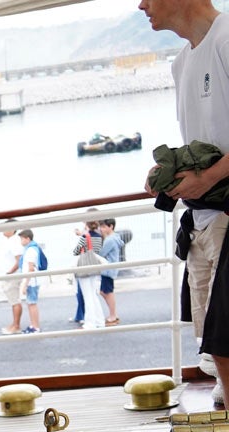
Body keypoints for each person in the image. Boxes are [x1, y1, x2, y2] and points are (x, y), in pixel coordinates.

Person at [143, 0, 229, 405]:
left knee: (224, 341)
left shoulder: (227, 39)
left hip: (227, 211)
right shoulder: (181, 64)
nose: (141, 5)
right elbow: (203, 142)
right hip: (200, 220)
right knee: (214, 343)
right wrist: (168, 172)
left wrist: (209, 178)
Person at [72, 217, 106, 328]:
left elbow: (76, 251)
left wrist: (81, 235)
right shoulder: (99, 236)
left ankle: (90, 323)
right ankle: (100, 321)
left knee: (88, 296)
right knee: (94, 295)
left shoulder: (85, 236)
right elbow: (97, 250)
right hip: (95, 267)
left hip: (84, 268)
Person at [15, 228, 43, 334]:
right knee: (30, 304)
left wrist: (25, 284)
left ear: (27, 238)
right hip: (32, 280)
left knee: (32, 304)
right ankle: (33, 325)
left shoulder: (31, 250)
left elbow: (31, 268)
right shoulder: (32, 248)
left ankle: (36, 327)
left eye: (22, 239)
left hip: (32, 281)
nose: (21, 241)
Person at [97, 217, 124, 324]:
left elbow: (101, 253)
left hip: (108, 270)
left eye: (103, 227)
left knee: (107, 292)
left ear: (111, 226)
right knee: (104, 292)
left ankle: (113, 315)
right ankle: (113, 314)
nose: (101, 229)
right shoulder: (115, 238)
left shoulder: (110, 239)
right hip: (110, 269)